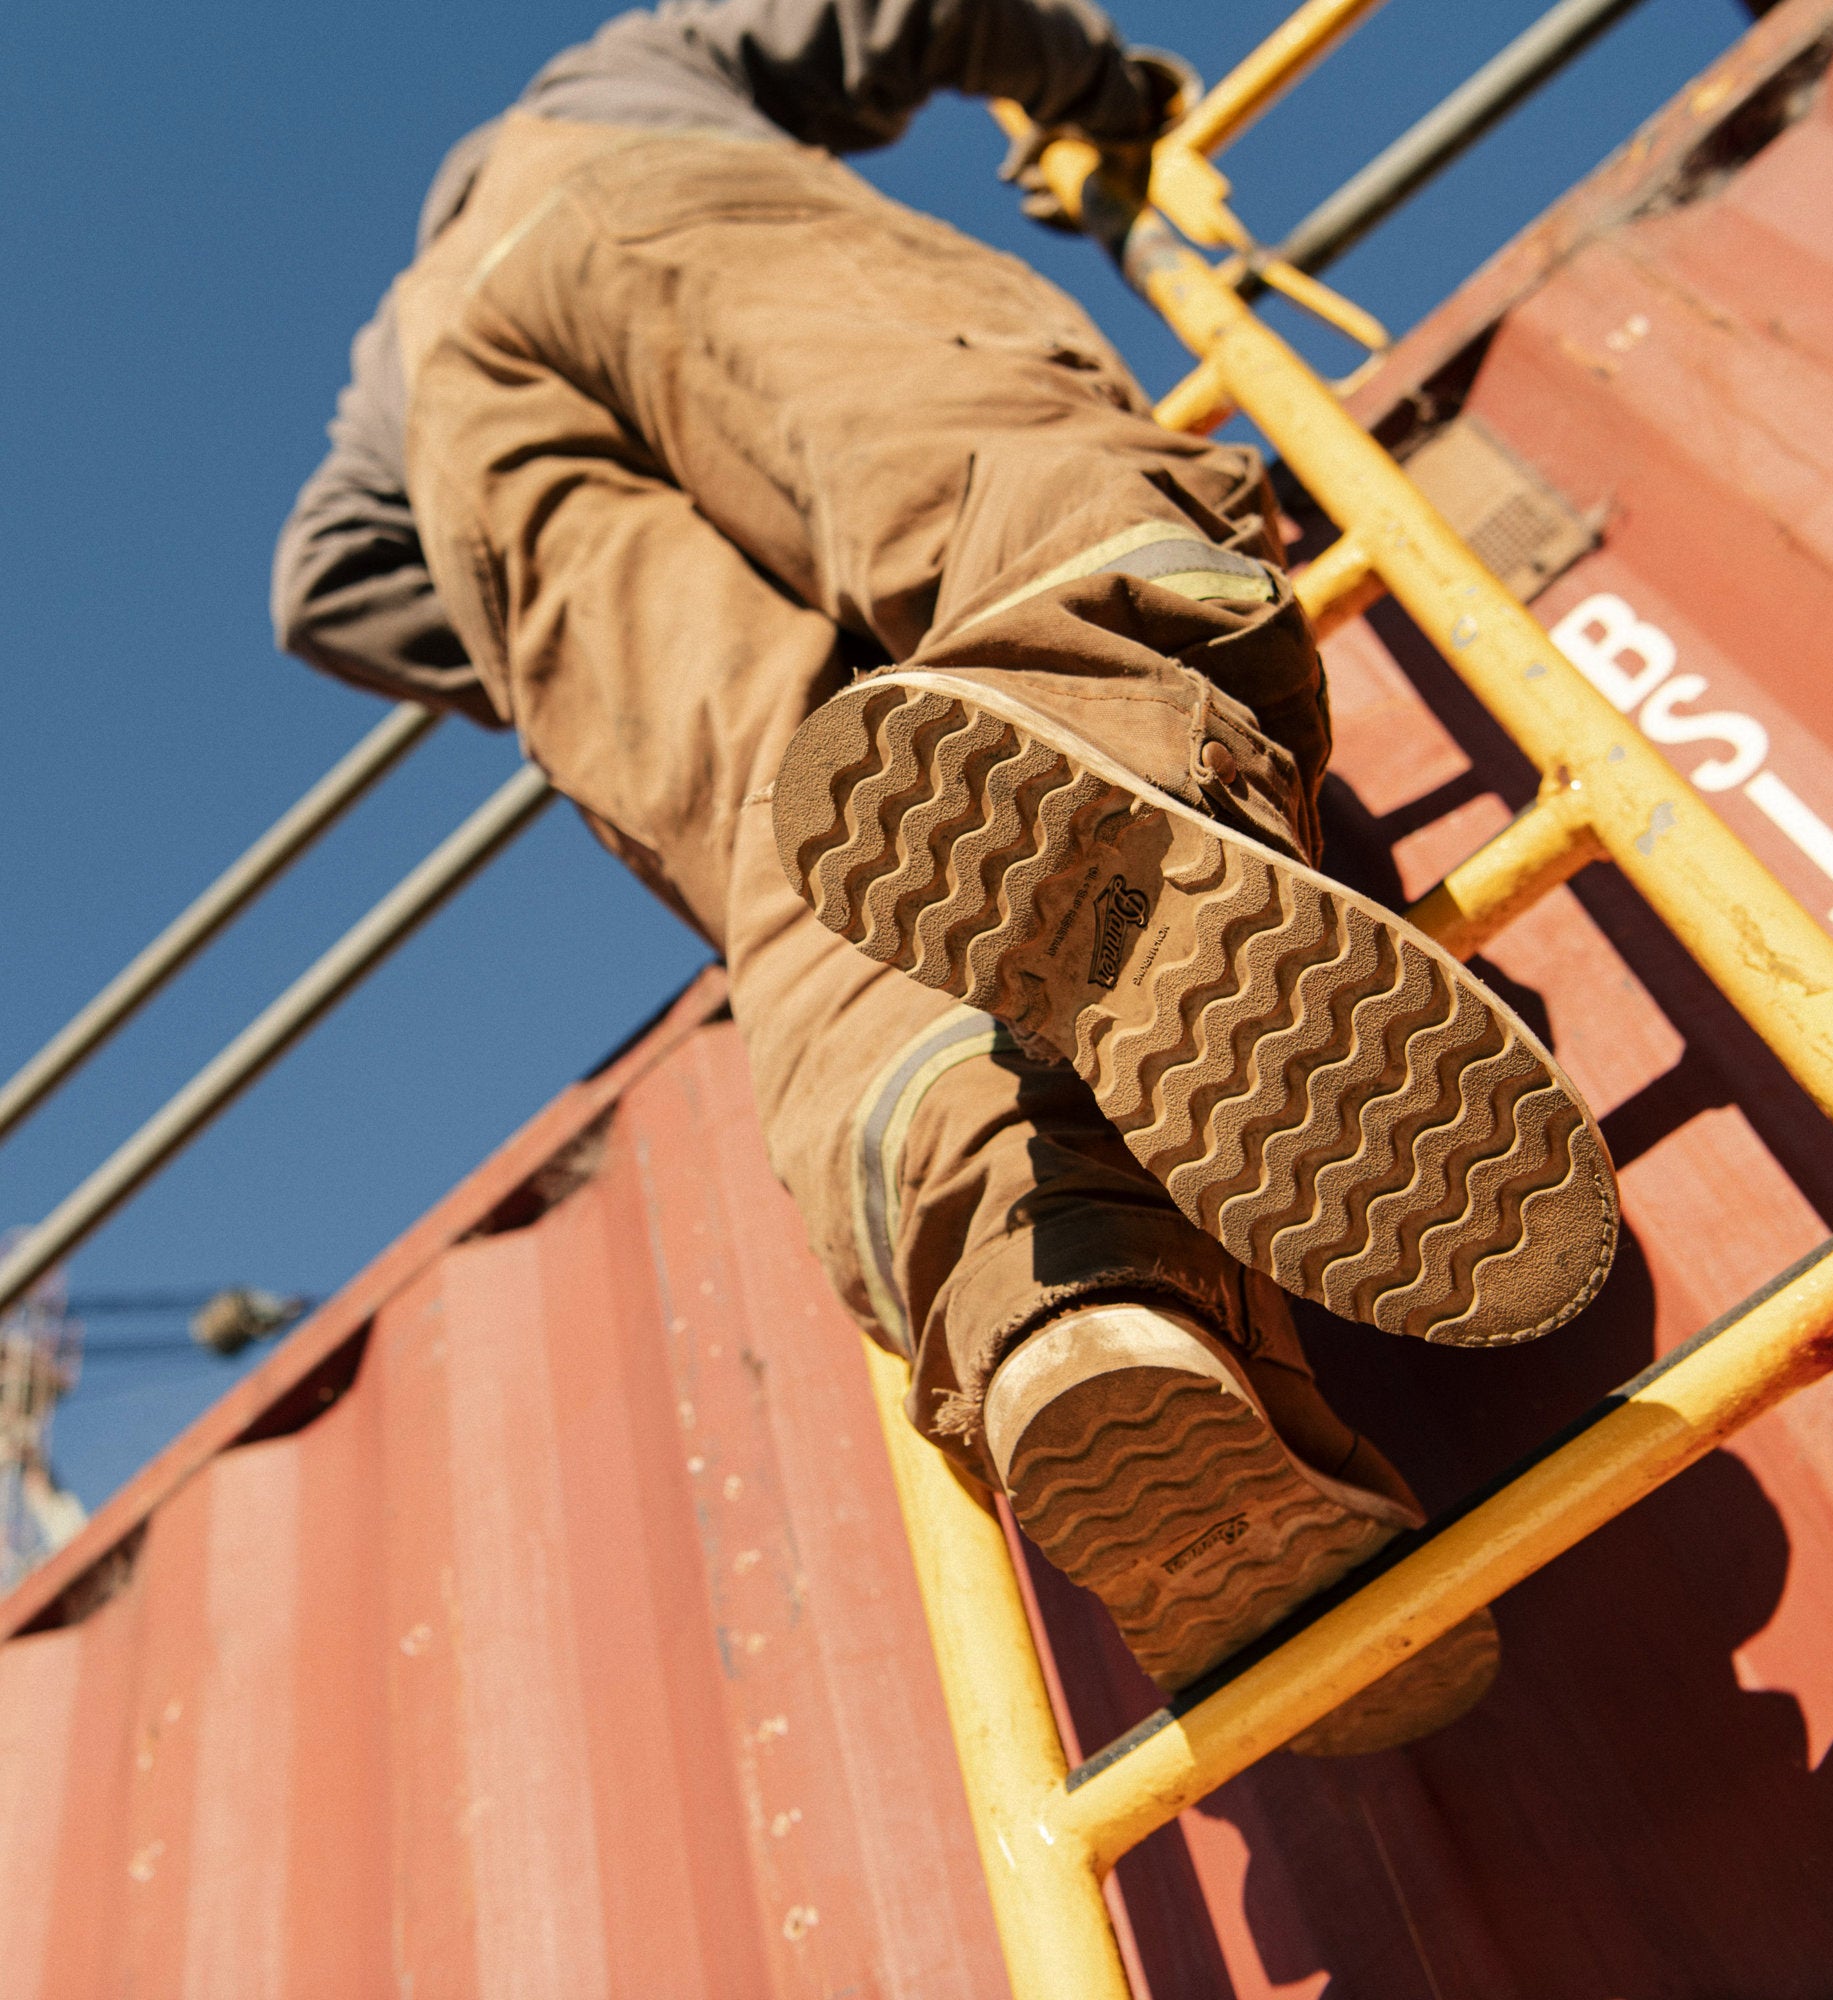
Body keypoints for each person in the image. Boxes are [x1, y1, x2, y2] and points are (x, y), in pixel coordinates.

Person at [275, 0, 1618, 1754]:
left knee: (795, 859)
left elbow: (323, 591)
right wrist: (1091, 92)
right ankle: (1130, 799)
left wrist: (535, 654)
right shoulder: (620, 73)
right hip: (653, 205)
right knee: (1007, 474)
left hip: (477, 479)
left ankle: (1065, 1314)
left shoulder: (389, 351)